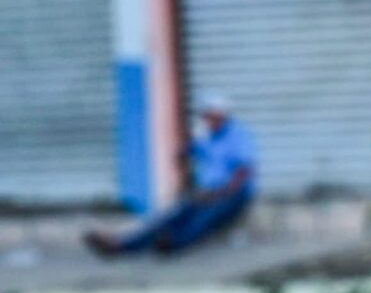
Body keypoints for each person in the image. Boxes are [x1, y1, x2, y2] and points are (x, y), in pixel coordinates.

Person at [85, 95, 257, 256]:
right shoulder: (206, 136)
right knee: (174, 214)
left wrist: (221, 193)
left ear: (221, 115)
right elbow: (183, 154)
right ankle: (122, 246)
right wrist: (190, 146)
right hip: (208, 192)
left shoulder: (237, 135)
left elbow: (244, 171)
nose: (206, 120)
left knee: (204, 218)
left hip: (233, 194)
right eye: (205, 116)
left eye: (210, 116)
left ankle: (173, 243)